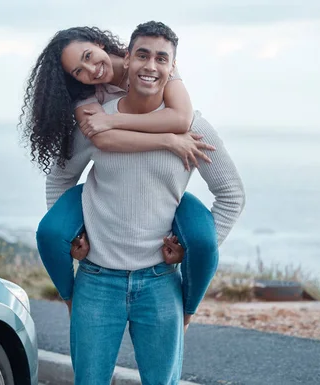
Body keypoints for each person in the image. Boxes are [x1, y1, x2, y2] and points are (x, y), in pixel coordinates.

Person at [43, 21, 245, 384]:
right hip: (96, 280)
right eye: (142, 56)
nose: (150, 66)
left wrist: (192, 248)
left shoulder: (193, 128)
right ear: (128, 58)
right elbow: (60, 177)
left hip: (160, 284)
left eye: (161, 59)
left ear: (172, 68)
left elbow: (231, 194)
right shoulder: (96, 120)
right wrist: (73, 233)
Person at [20, 25, 224, 329]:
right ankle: (71, 301)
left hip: (160, 195)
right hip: (108, 195)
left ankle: (188, 311)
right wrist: (167, 140)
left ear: (100, 43)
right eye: (79, 70)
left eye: (89, 56)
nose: (91, 69)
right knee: (49, 234)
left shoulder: (149, 63)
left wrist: (113, 120)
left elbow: (181, 118)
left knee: (202, 239)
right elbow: (102, 141)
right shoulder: (87, 98)